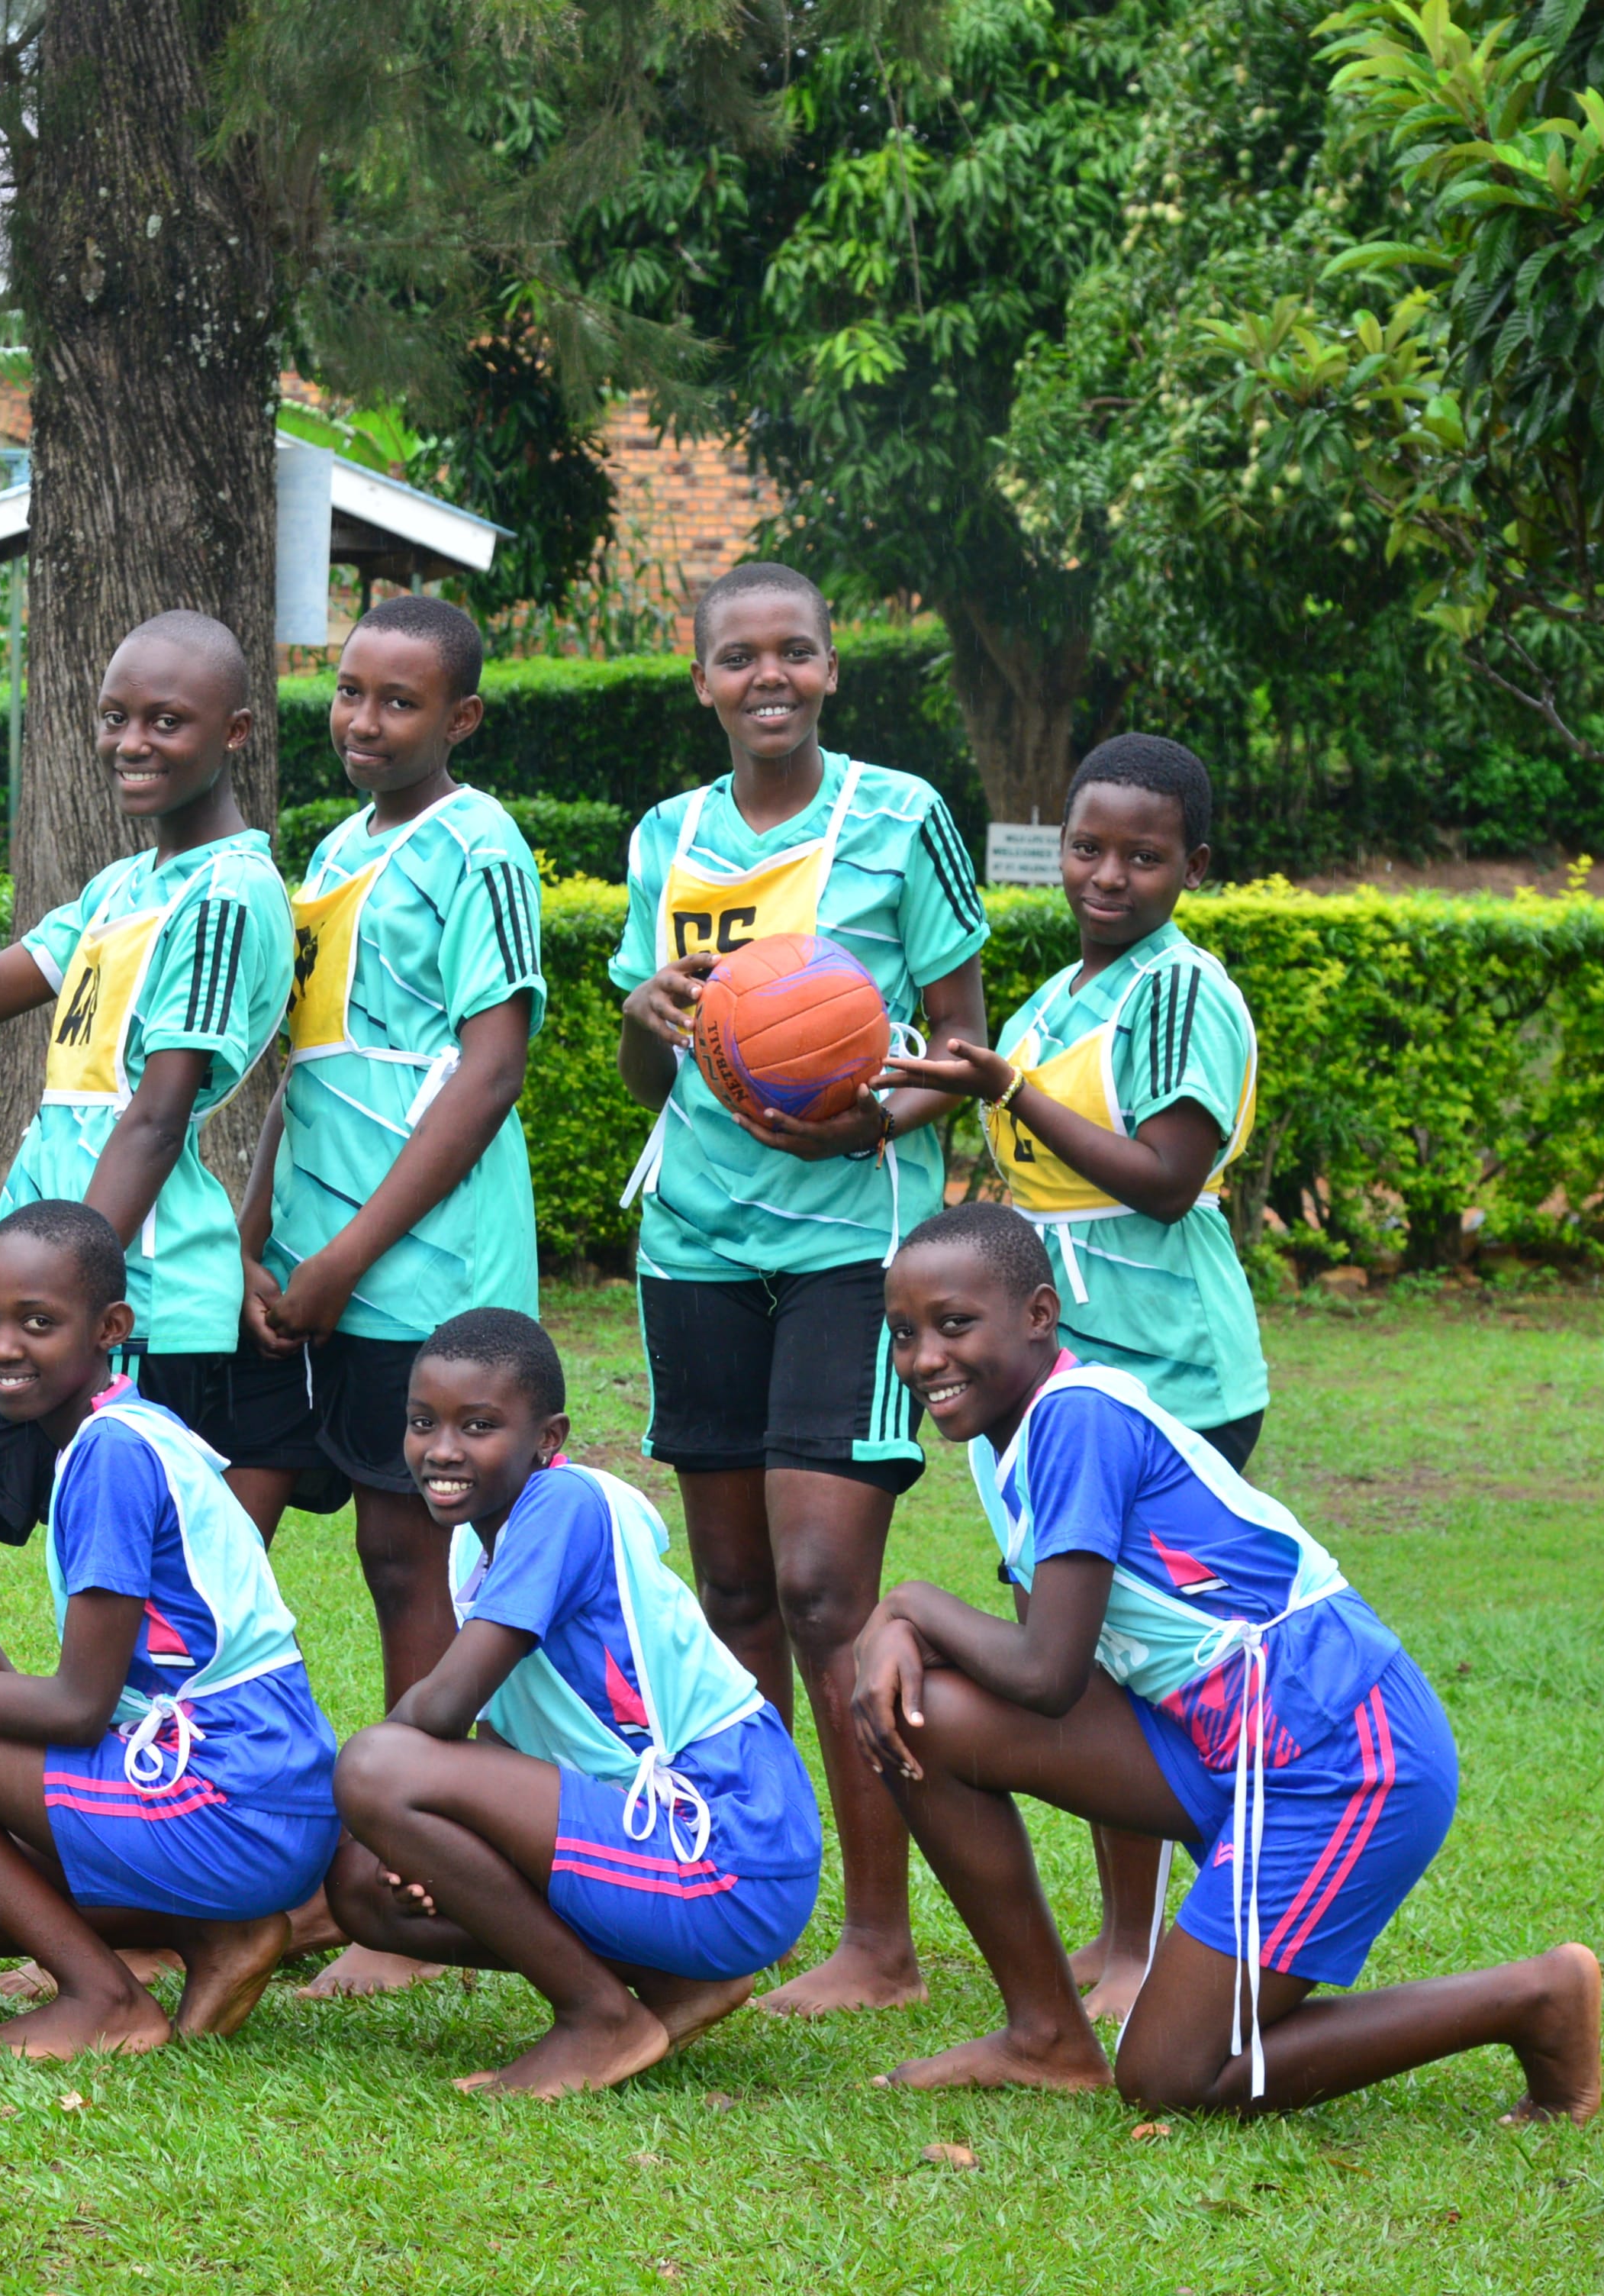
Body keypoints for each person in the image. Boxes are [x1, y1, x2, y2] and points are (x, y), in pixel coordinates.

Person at [854, 1202, 1602, 2119]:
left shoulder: (1078, 1419)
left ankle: (1536, 1996)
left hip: (1338, 1752)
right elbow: (1059, 1675)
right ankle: (1043, 2035)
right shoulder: (1012, 1438)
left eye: (954, 1323)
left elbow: (1046, 1671)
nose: (926, 1355)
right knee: (914, 1709)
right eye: (903, 1333)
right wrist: (901, 1635)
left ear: (1040, 1315)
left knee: (1169, 2076)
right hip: (1219, 1736)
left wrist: (909, 1605)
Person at [608, 560, 990, 2015]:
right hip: (695, 1238)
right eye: (738, 657)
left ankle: (878, 1945)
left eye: (796, 653)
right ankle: (733, 1906)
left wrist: (866, 1119)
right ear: (700, 679)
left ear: (831, 669)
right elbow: (654, 1062)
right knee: (730, 1594)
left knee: (829, 1590)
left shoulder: (900, 818)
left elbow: (960, 1038)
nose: (768, 676)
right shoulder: (667, 835)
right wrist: (650, 1019)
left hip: (852, 1241)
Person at [0, 611, 308, 1677]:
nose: (132, 741)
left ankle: (117, 1795)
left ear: (236, 731)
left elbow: (156, 1113)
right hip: (26, 1288)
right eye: (115, 717)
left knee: (137, 1617)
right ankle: (32, 1768)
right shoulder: (119, 889)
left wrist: (74, 1298)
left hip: (125, 1298)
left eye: (166, 721)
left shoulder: (231, 895)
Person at [880, 731, 1264, 2019]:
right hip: (1056, 1373)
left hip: (1170, 1368)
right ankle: (1123, 1937)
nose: (1107, 875)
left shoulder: (1176, 991)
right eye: (1088, 847)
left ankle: (1166, 1941)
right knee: (1087, 1659)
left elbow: (1161, 1177)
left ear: (1190, 867)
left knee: (1142, 1659)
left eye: (1141, 855)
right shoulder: (1058, 995)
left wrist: (1012, 1088)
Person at [0, 1201, 342, 2060]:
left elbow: (78, 1707)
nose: (2, 1345)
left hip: (232, 1800)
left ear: (111, 1328)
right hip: (264, 1791)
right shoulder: (123, 1430)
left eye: (39, 1322)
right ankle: (217, 1938)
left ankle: (104, 1994)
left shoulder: (109, 1456)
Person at [236, 594, 546, 1998]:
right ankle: (317, 1857)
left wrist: (350, 1254)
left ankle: (423, 1873)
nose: (362, 721)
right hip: (320, 1266)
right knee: (368, 1551)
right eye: (347, 693)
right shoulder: (330, 850)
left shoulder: (476, 844)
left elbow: (489, 1067)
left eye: (397, 701)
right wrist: (258, 1232)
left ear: (459, 719)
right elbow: (303, 1075)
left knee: (422, 1558)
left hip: (419, 1272)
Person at [325, 1308, 820, 2096]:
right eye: (423, 1422)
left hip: (729, 1847)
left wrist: (363, 1798)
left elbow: (442, 1712)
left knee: (378, 1766)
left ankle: (600, 2016)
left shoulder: (562, 1506)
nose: (442, 1448)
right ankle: (677, 1983)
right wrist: (414, 1845)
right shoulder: (475, 1541)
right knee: (360, 1885)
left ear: (547, 1437)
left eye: (479, 1425)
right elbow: (502, 1744)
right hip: (653, 1838)